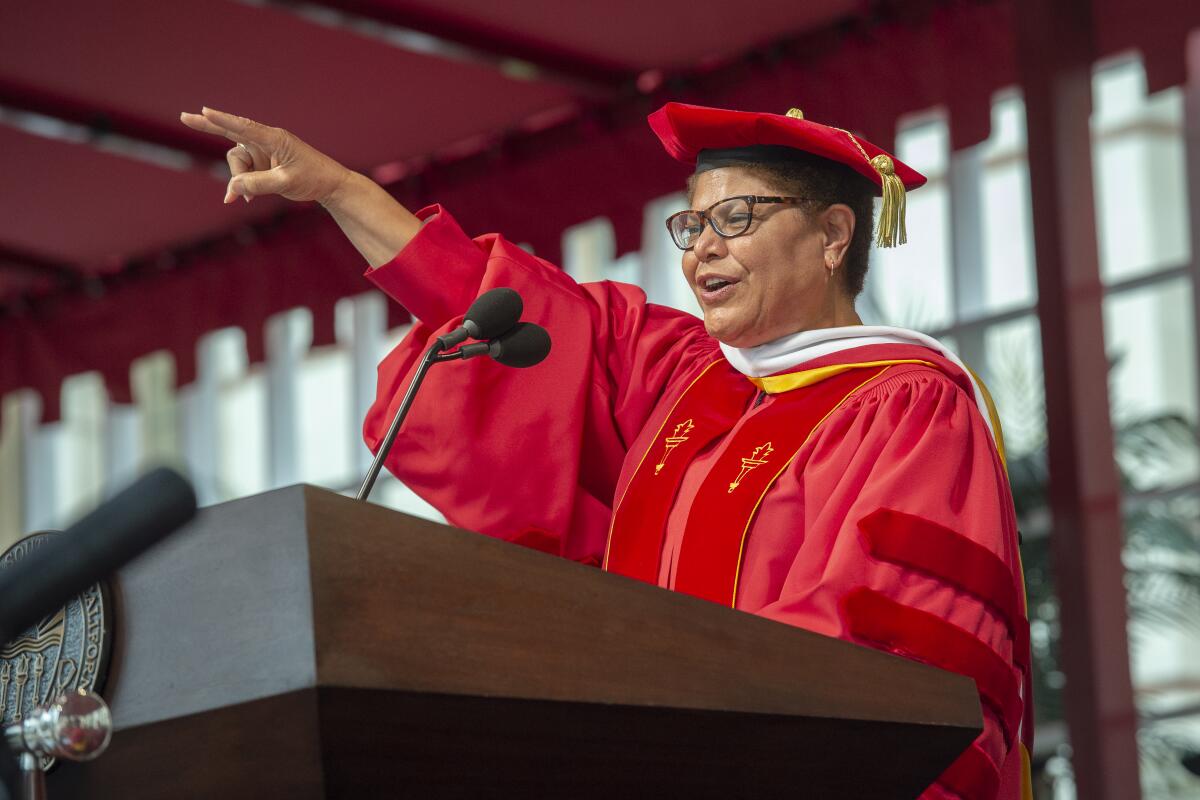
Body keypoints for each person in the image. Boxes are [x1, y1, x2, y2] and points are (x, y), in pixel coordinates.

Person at [182, 102, 1033, 800]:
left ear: (834, 235)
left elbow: (903, 654)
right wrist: (340, 189)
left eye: (735, 218)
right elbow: (504, 312)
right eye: (692, 223)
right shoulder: (683, 378)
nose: (702, 246)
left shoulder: (906, 404)